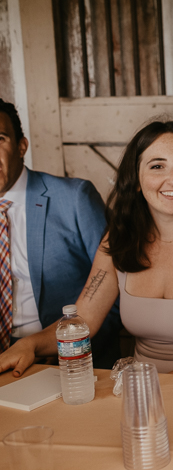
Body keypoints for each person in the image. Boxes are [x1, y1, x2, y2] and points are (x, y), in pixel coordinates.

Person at [0, 120, 173, 375]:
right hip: (137, 395)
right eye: (157, 166)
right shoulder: (119, 240)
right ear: (135, 180)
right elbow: (84, 320)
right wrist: (29, 345)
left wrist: (156, 386)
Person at [0, 98, 121, 368]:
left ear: (21, 147)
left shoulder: (75, 198)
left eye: (0, 138)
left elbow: (114, 295)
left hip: (68, 358)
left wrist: (66, 349)